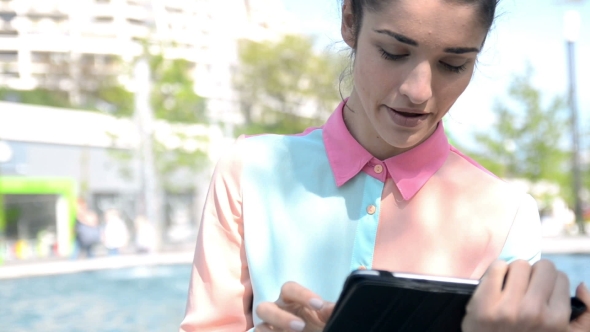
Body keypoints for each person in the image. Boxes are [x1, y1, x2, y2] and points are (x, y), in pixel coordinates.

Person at [180, 0, 590, 331]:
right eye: (393, 52)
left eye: (454, 64)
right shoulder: (250, 170)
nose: (419, 91)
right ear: (349, 20)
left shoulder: (508, 213)